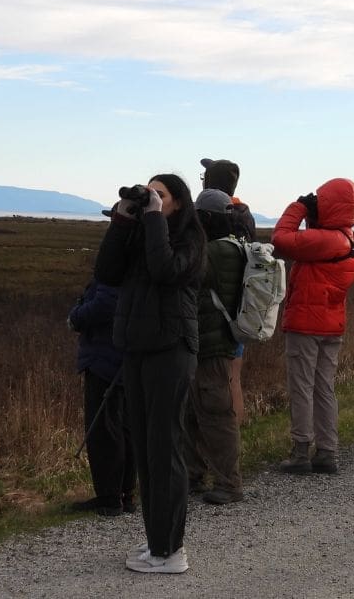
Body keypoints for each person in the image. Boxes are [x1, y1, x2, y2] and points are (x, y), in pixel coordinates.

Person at [95, 175, 206, 575]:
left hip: (171, 349)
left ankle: (171, 552)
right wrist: (122, 221)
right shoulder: (143, 233)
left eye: (160, 195)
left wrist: (154, 220)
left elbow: (164, 270)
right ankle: (157, 540)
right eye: (149, 194)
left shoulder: (192, 239)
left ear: (178, 203)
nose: (152, 201)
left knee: (165, 449)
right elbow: (106, 273)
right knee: (144, 450)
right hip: (138, 348)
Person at [271, 178, 354, 475]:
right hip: (331, 325)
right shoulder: (351, 239)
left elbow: (282, 239)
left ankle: (300, 452)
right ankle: (326, 451)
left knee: (302, 387)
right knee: (324, 388)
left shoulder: (326, 240)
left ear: (329, 206)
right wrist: (314, 215)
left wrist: (298, 207)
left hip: (307, 325)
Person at [185, 189, 245, 505]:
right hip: (208, 343)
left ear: (206, 218)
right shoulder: (233, 246)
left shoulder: (218, 252)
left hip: (213, 346)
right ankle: (194, 474)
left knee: (216, 416)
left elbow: (185, 271)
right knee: (193, 413)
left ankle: (229, 483)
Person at [68, 279, 136, 516]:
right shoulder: (134, 264)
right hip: (122, 361)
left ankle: (110, 497)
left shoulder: (114, 269)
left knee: (105, 430)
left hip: (105, 360)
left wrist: (76, 316)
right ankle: (124, 494)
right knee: (124, 427)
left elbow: (106, 303)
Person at [200, 157, 256, 425]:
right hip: (238, 309)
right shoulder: (244, 214)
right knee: (233, 379)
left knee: (219, 384)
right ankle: (233, 442)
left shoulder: (219, 215)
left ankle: (224, 448)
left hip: (215, 313)